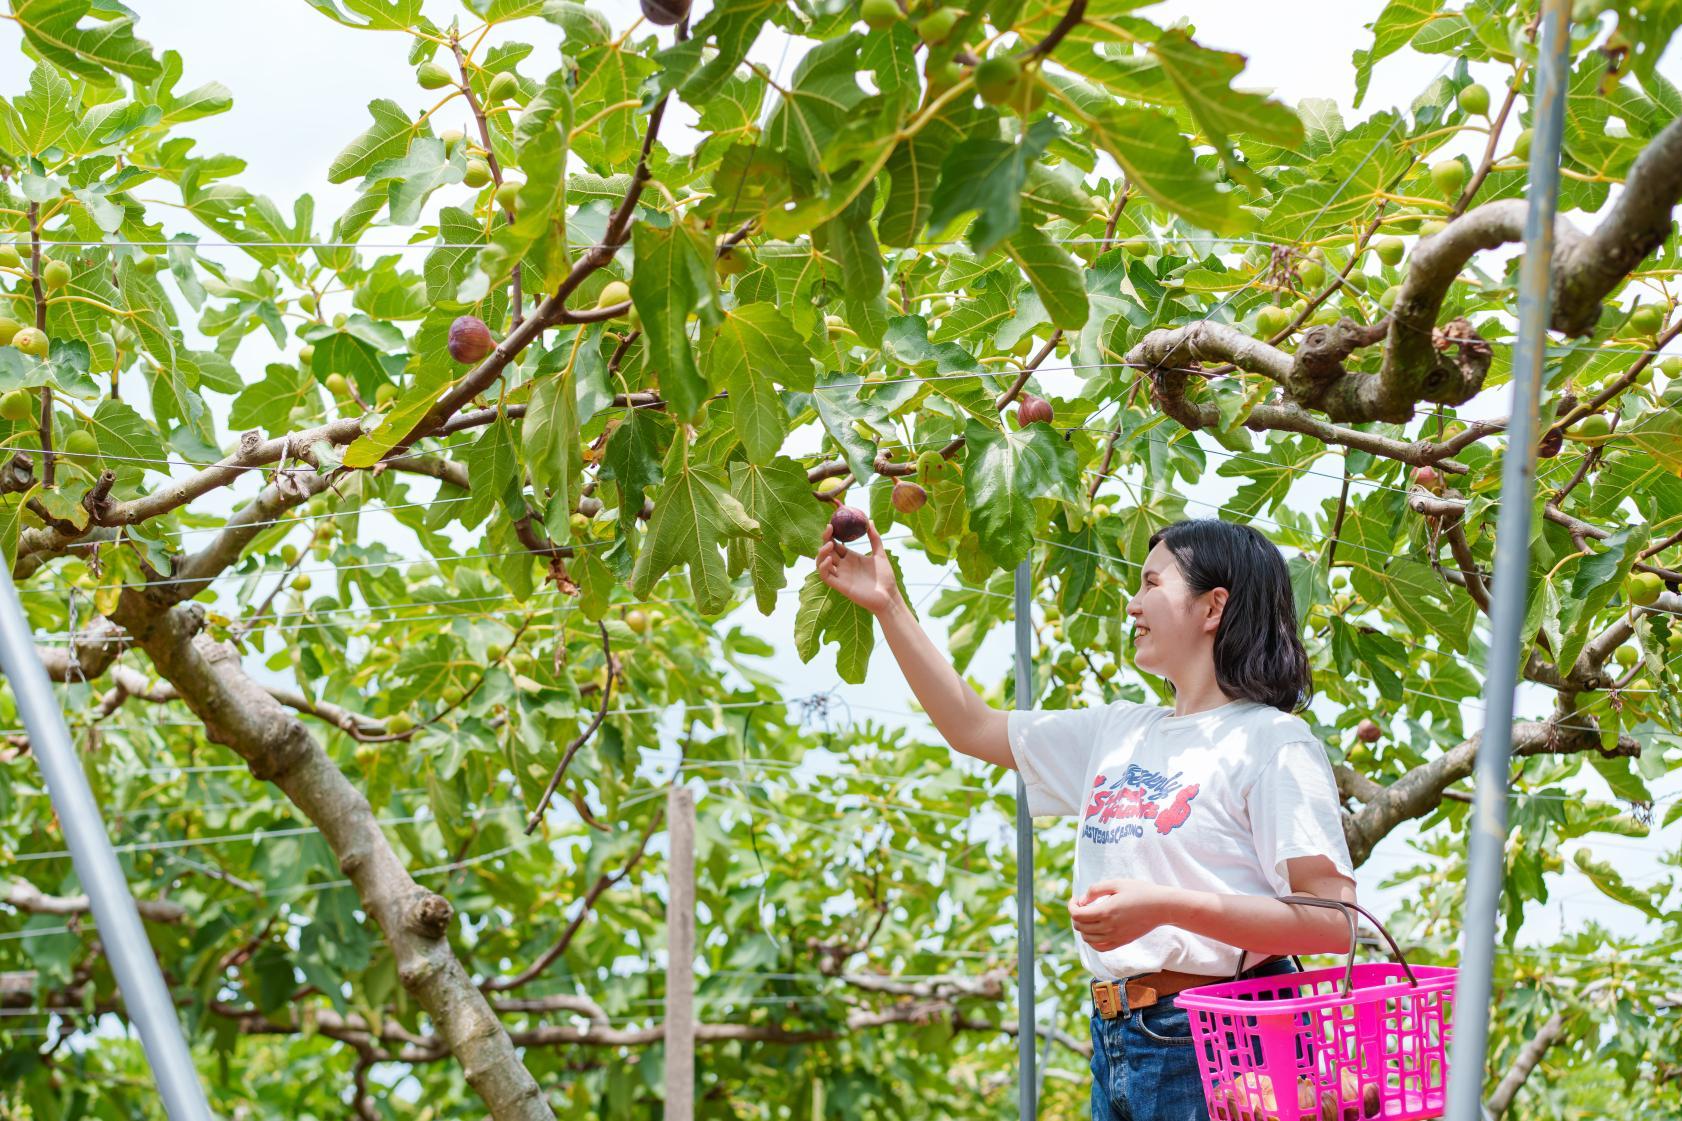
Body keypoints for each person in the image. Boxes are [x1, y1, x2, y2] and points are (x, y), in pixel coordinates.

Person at [816, 515, 1357, 1121]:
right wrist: (888, 604)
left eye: (1152, 584)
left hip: (1223, 1042)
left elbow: (1334, 922)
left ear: (1213, 607)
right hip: (1118, 1035)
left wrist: (1164, 906)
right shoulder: (1119, 731)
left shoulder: (1271, 742)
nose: (1132, 604)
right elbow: (972, 726)